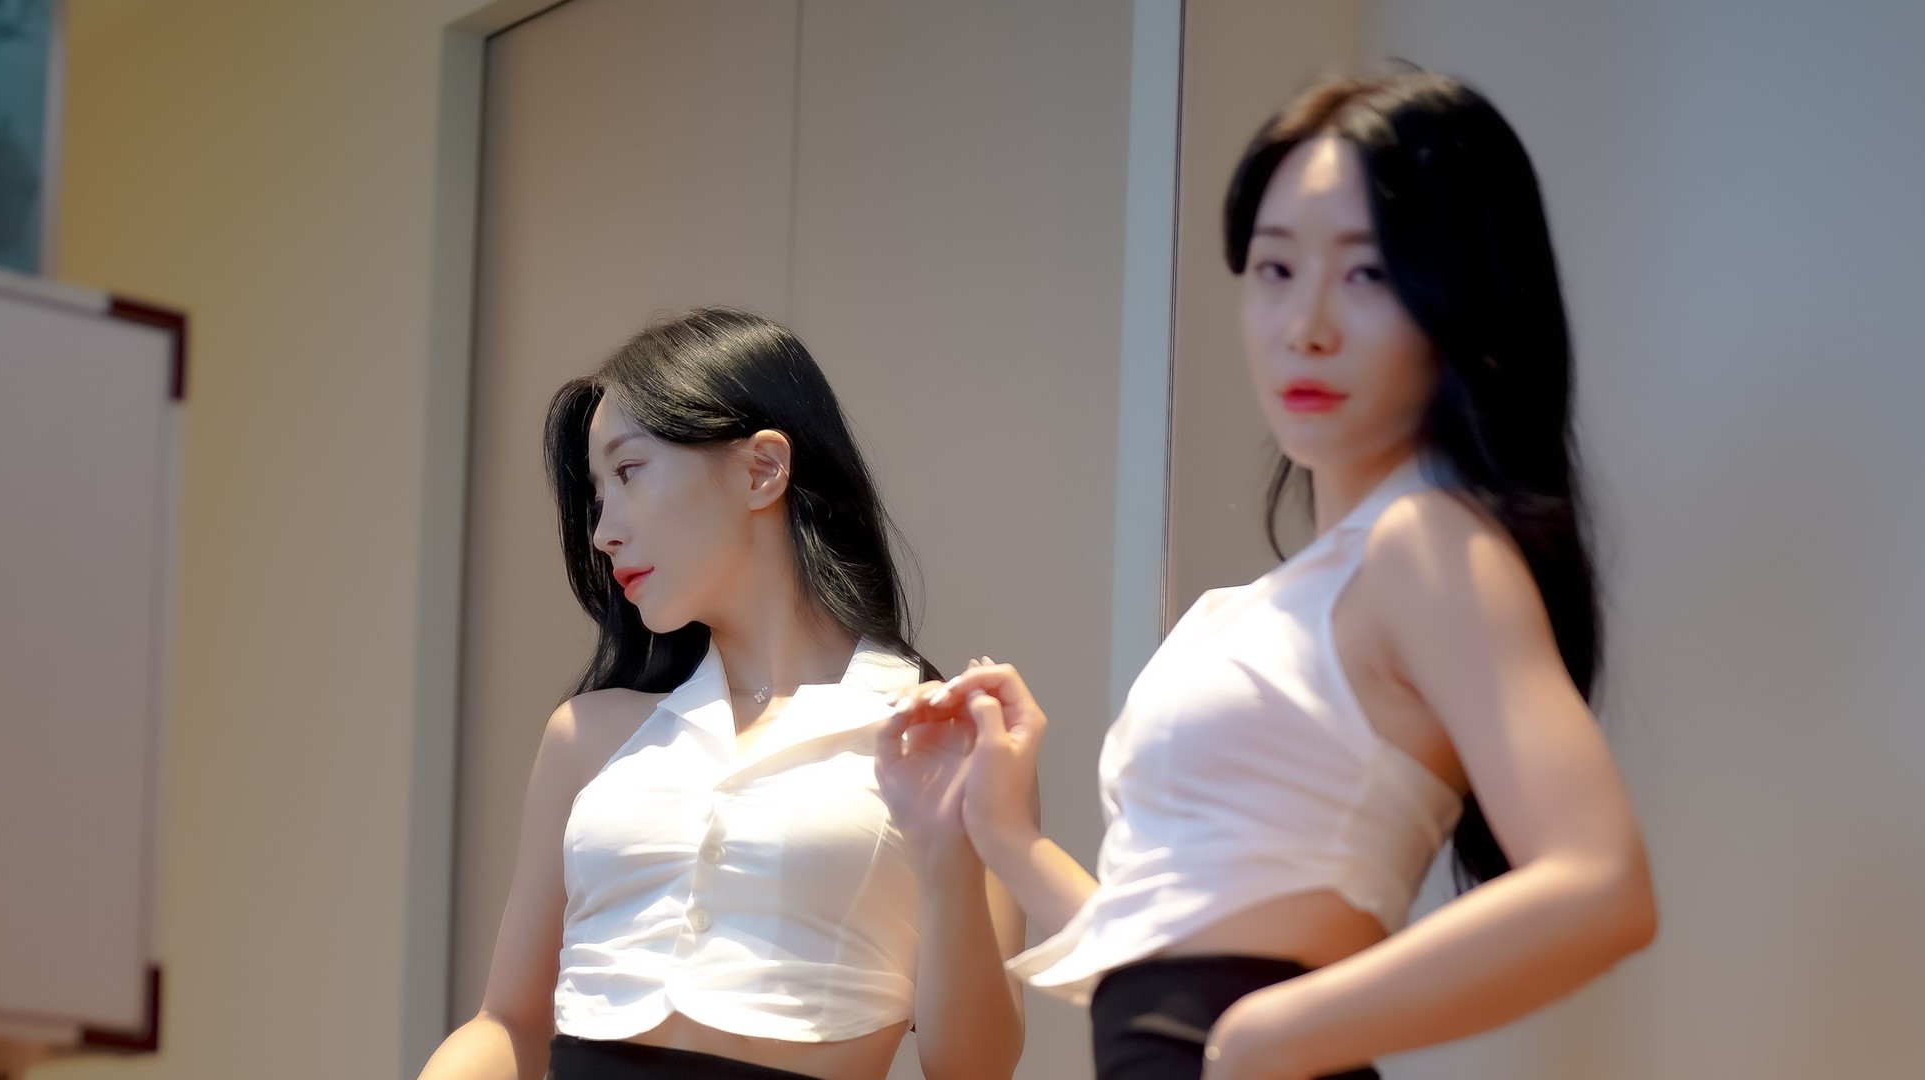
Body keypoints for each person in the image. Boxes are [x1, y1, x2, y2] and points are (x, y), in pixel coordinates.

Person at [885, 70, 1658, 1080]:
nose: (1306, 325)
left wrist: (1266, 1035)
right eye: (1276, 268)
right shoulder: (1241, 611)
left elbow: (1600, 884)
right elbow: (1166, 951)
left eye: (1367, 273)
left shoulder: (1424, 544)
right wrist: (1004, 834)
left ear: (1462, 298)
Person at [419, 308, 1025, 1080]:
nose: (602, 531)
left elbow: (971, 1068)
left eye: (628, 472)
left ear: (761, 470)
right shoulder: (588, 735)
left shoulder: (941, 740)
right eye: (596, 495)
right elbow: (508, 1023)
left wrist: (950, 859)